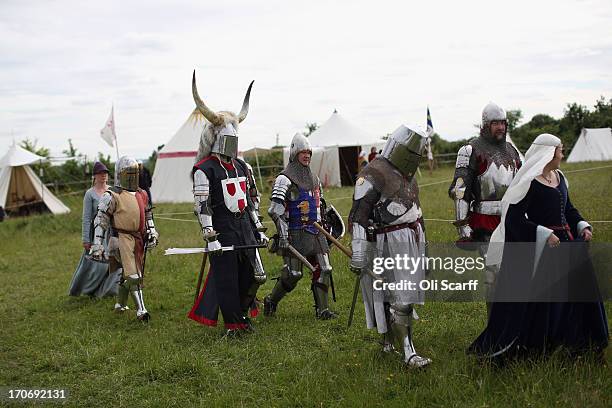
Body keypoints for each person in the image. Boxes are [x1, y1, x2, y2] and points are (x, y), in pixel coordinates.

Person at [468, 134, 608, 360]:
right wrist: (543, 234)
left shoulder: (559, 177)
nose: (562, 154)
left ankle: (580, 344)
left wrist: (582, 225)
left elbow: (568, 209)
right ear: (549, 153)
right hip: (544, 250)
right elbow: (514, 219)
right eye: (560, 150)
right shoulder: (530, 182)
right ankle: (540, 345)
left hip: (568, 245)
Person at [187, 72, 266, 336]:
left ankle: (243, 314)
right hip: (222, 230)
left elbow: (251, 199)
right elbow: (203, 205)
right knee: (227, 279)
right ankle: (233, 324)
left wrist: (258, 226)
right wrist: (210, 235)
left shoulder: (241, 166)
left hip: (245, 228)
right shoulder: (204, 169)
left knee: (253, 275)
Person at [349, 123, 432, 368]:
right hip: (386, 242)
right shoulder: (372, 172)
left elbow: (417, 212)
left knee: (398, 295)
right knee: (399, 298)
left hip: (410, 239)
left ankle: (388, 342)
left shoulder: (409, 175)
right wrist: (360, 251)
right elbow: (359, 215)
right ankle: (408, 353)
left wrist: (424, 251)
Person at [448, 102, 522, 315]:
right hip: (484, 222)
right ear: (485, 125)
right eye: (495, 123)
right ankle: (494, 326)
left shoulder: (511, 150)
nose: (500, 127)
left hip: (510, 219)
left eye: (502, 123)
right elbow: (460, 189)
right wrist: (463, 226)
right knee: (494, 276)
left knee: (514, 274)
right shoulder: (470, 150)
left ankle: (512, 322)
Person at [264, 133, 338, 320]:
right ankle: (271, 301)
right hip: (295, 233)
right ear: (295, 154)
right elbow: (274, 210)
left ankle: (322, 310)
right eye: (303, 153)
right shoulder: (284, 178)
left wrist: (324, 225)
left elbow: (319, 203)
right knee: (294, 274)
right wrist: (283, 235)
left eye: (309, 153)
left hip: (316, 232)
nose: (307, 156)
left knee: (326, 269)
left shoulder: (314, 179)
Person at [90, 156, 159, 321]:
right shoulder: (112, 194)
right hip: (120, 238)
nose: (131, 177)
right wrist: (97, 244)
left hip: (138, 239)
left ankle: (120, 304)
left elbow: (148, 214)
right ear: (120, 174)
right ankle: (141, 310)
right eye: (128, 173)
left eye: (134, 173)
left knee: (127, 274)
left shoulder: (142, 193)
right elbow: (101, 219)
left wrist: (152, 231)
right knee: (133, 275)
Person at [68, 162, 120, 297]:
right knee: (98, 264)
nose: (104, 175)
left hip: (112, 233)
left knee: (114, 261)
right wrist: (86, 238)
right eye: (100, 173)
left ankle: (108, 290)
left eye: (105, 173)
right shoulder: (89, 194)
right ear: (94, 176)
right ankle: (89, 289)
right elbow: (86, 218)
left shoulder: (113, 191)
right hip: (97, 233)